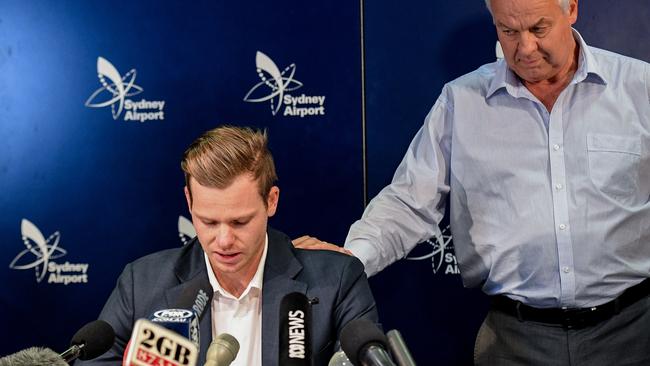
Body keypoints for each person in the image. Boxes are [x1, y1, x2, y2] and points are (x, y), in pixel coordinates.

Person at [294, 0, 650, 364]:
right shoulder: (461, 102)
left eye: (538, 29)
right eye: (508, 31)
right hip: (515, 340)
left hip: (634, 331)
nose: (525, 48)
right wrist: (352, 259)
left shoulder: (640, 87)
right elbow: (408, 202)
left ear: (571, 8)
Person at [79, 126, 377, 366]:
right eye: (208, 222)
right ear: (188, 202)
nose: (223, 241)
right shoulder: (141, 284)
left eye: (239, 222)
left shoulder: (337, 280)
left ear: (271, 201)